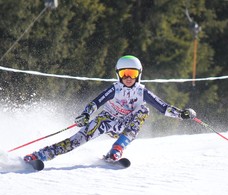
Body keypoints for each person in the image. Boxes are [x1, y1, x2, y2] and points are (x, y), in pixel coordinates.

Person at [23, 55, 196, 163]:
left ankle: (117, 149)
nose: (128, 78)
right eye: (124, 74)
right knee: (78, 140)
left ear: (139, 75)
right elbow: (95, 103)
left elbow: (163, 107)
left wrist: (181, 114)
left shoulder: (142, 91)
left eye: (132, 74)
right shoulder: (115, 89)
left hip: (125, 125)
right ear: (118, 75)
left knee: (144, 110)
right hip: (107, 121)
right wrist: (85, 115)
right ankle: (42, 155)